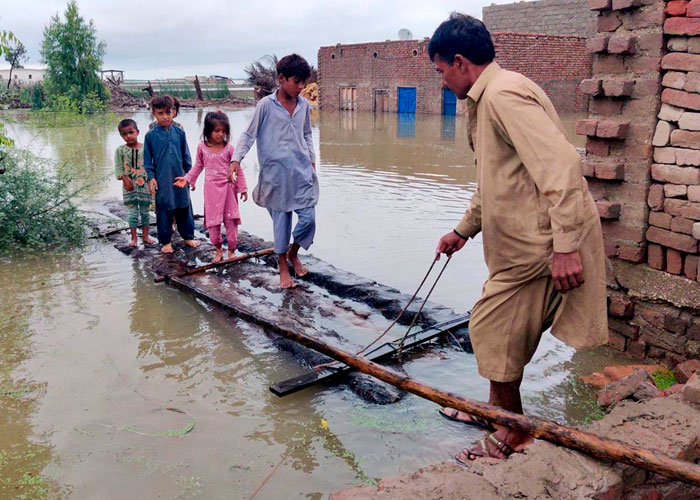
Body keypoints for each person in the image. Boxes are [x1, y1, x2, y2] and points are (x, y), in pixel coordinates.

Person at [430, 13, 607, 465]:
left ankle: (512, 431)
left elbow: (561, 166)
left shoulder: (503, 96)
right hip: (525, 244)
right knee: (503, 333)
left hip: (540, 245)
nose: (443, 81)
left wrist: (566, 246)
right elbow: (495, 180)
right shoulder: (490, 95)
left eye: (441, 71)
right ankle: (500, 415)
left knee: (491, 328)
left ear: (459, 62)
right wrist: (461, 231)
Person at [229, 53, 318, 289]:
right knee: (282, 221)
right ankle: (282, 267)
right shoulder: (266, 106)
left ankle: (294, 252)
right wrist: (236, 160)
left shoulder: (303, 106)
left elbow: (307, 134)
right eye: (296, 81)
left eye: (303, 82)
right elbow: (249, 134)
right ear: (281, 78)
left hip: (301, 172)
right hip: (275, 175)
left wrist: (312, 158)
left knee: (308, 218)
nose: (300, 87)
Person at [174, 111, 248, 263]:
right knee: (213, 224)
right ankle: (218, 249)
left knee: (231, 221)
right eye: (217, 131)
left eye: (223, 131)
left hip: (228, 189)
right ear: (208, 131)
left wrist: (243, 188)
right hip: (211, 191)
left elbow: (238, 169)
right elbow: (198, 166)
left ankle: (231, 251)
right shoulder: (202, 147)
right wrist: (188, 179)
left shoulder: (229, 149)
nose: (220, 134)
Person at [144, 95, 200, 253]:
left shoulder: (179, 133)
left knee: (184, 206)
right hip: (162, 179)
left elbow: (187, 156)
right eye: (160, 113)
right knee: (163, 209)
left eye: (168, 113)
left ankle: (188, 237)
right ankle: (166, 241)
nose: (165, 116)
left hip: (180, 177)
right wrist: (151, 178)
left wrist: (191, 177)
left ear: (174, 112)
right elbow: (148, 160)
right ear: (154, 113)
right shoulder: (150, 135)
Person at [114, 119, 155, 247]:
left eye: (131, 132)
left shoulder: (146, 148)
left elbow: (151, 166)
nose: (128, 136)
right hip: (129, 187)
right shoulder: (120, 150)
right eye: (125, 134)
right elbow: (118, 169)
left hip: (144, 185)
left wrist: (151, 182)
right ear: (121, 135)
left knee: (144, 212)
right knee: (132, 213)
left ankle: (146, 237)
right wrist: (124, 179)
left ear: (137, 132)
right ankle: (134, 239)